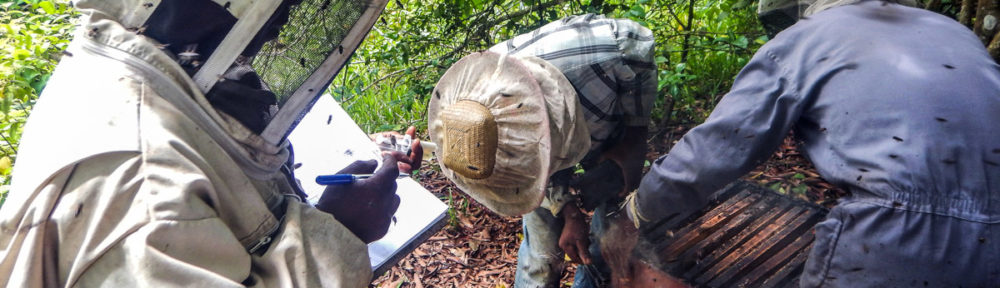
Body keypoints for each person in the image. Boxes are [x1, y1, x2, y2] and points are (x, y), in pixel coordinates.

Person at [0, 0, 422, 286]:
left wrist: (328, 213)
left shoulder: (150, 75)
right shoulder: (143, 186)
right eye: (280, 10)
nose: (281, 26)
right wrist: (344, 232)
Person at [620, 0, 1000, 286]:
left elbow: (716, 148)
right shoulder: (956, 33)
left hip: (896, 234)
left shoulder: (810, 37)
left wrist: (639, 207)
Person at [427, 14, 656, 287]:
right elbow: (530, 185)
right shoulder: (472, 135)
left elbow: (638, 43)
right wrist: (566, 209)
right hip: (535, 144)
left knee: (611, 230)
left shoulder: (605, 55)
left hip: (604, 120)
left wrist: (633, 135)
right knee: (542, 251)